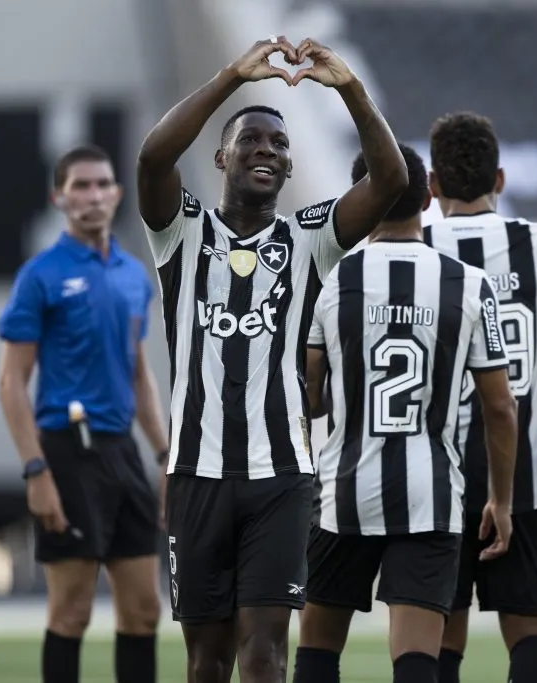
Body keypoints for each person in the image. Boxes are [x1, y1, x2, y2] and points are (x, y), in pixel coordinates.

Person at [135, 35, 407, 683]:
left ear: (288, 171)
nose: (267, 150)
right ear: (222, 155)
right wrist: (233, 76)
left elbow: (391, 179)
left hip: (281, 477)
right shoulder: (181, 228)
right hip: (196, 475)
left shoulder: (309, 237)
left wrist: (350, 89)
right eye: (251, 140)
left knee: (265, 655)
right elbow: (152, 156)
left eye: (280, 146)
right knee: (207, 660)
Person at [292, 143, 518, 683]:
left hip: (343, 491)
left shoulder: (332, 280)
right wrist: (502, 500)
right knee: (417, 660)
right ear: (428, 196)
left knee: (318, 651)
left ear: (359, 199)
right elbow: (500, 408)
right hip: (430, 493)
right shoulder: (469, 284)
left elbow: (311, 397)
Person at [422, 111, 537, 683]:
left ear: (432, 185)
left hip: (435, 478)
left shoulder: (416, 246)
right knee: (532, 637)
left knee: (438, 642)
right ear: (499, 180)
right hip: (525, 478)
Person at [0, 144, 169, 683]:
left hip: (123, 455)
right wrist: (35, 471)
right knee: (70, 612)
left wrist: (165, 455)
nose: (93, 195)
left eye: (102, 184)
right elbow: (11, 383)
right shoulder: (41, 276)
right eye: (81, 186)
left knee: (143, 612)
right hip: (67, 453)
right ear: (60, 197)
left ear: (117, 193)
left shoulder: (133, 275)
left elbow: (139, 375)